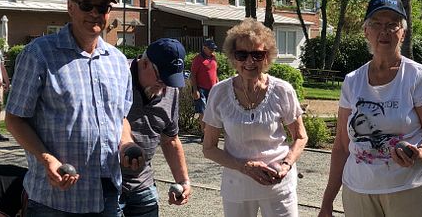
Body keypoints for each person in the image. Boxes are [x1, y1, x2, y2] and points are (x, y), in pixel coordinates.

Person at [6, 0, 141, 216]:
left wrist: (126, 144)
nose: (94, 13)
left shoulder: (118, 61)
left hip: (107, 194)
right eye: (86, 5)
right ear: (70, 7)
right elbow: (15, 118)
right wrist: (47, 159)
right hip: (55, 198)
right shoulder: (39, 54)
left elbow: (120, 118)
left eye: (102, 7)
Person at [319, 0, 422, 217]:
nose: (385, 31)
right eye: (377, 24)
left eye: (393, 25)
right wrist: (327, 201)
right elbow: (342, 146)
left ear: (403, 33)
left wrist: (420, 152)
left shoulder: (416, 76)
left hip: (411, 190)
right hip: (359, 192)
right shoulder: (353, 81)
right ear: (366, 31)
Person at [202, 18, 307, 217]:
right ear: (233, 57)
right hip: (237, 187)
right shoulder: (219, 93)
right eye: (242, 54)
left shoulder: (282, 90)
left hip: (278, 186)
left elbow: (300, 137)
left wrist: (286, 164)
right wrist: (245, 167)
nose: (249, 62)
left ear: (267, 57)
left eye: (257, 55)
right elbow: (209, 148)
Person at [121, 38, 192, 216]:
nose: (165, 85)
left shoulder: (170, 89)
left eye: (171, 79)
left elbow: (170, 140)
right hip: (107, 184)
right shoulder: (118, 77)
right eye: (161, 77)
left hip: (142, 182)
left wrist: (183, 181)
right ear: (144, 63)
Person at [190, 38, 218, 137]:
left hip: (213, 89)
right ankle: (204, 134)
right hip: (201, 89)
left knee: (212, 112)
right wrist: (195, 90)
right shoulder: (198, 59)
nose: (212, 50)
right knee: (203, 112)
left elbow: (215, 73)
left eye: (213, 49)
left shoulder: (213, 58)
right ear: (204, 48)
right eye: (210, 48)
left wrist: (218, 85)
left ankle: (207, 130)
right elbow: (192, 75)